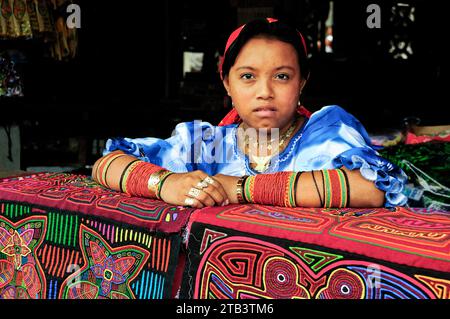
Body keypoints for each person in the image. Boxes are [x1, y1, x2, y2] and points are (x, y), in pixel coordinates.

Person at [92, 18, 407, 209]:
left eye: (282, 76)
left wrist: (239, 188)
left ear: (302, 82)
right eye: (248, 76)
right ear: (226, 83)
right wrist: (166, 183)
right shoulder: (205, 143)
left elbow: (371, 188)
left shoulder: (324, 133)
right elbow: (106, 164)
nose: (265, 91)